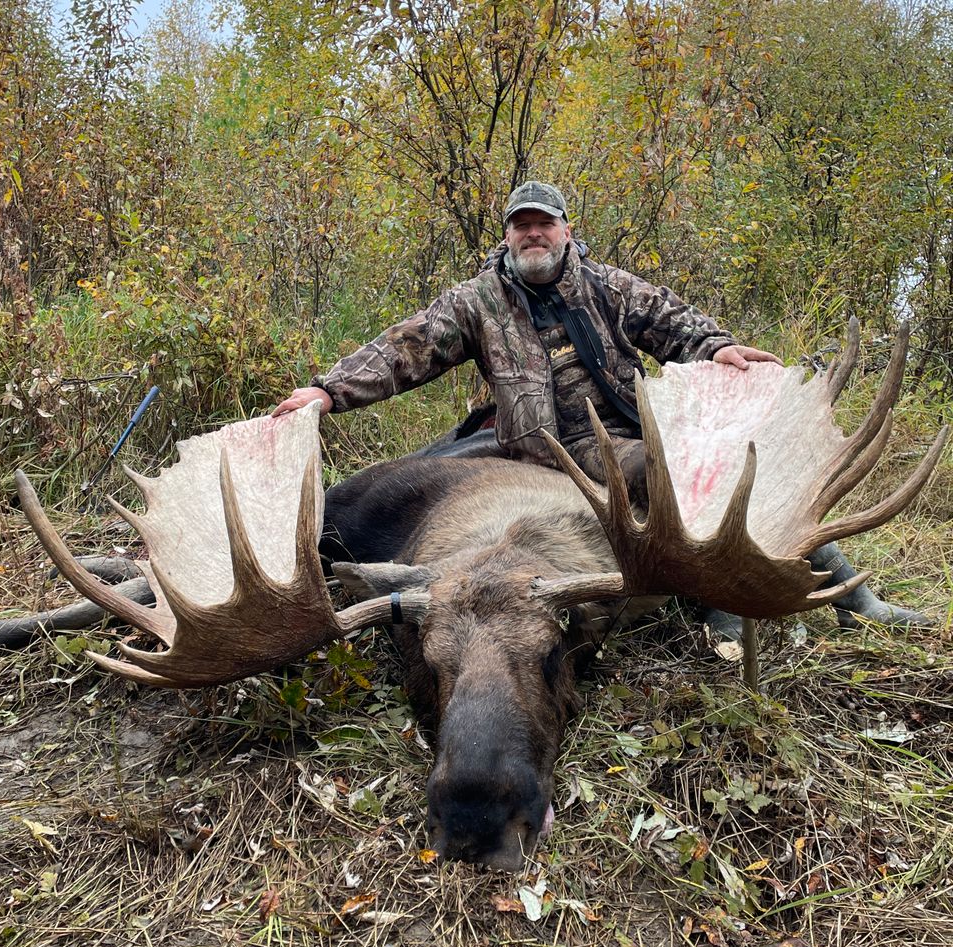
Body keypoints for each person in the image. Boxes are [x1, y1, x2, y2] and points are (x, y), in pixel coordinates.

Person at [273, 181, 930, 635]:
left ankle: (846, 597)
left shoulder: (605, 285)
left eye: (544, 223)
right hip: (543, 446)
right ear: (507, 237)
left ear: (566, 230)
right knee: (674, 477)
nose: (533, 233)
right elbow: (407, 348)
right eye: (521, 225)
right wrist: (330, 390)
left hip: (620, 430)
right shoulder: (478, 301)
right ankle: (732, 598)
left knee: (724, 468)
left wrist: (716, 346)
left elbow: (668, 319)